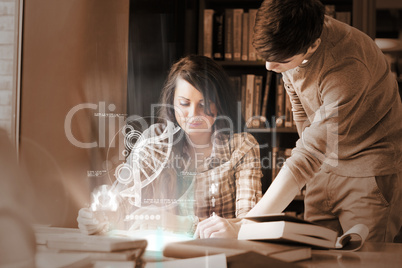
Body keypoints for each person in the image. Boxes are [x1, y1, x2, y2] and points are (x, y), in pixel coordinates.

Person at [196, 0, 402, 242]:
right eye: (266, 57)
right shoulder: (291, 38)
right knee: (312, 252)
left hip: (367, 172)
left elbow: (309, 154)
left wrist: (244, 228)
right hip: (325, 166)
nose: (269, 67)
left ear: (314, 45)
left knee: (363, 259)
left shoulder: (347, 67)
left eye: (280, 61)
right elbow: (302, 111)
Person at [77, 55, 263, 236]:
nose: (193, 114)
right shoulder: (155, 140)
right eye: (184, 103)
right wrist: (100, 217)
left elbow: (249, 223)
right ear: (172, 103)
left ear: (219, 103)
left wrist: (176, 223)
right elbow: (123, 198)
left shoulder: (242, 147)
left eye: (204, 104)